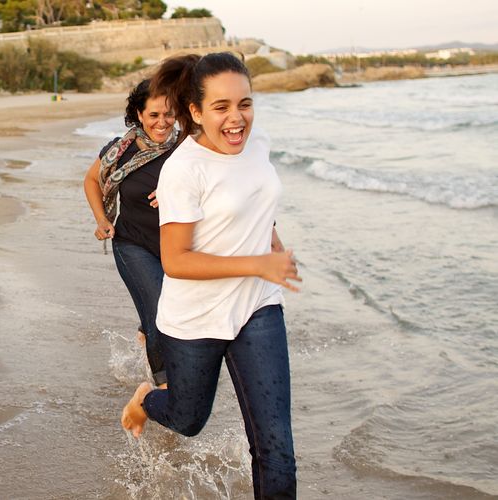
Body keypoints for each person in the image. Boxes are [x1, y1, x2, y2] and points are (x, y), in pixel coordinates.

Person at [121, 53, 301, 499]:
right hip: (196, 317)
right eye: (221, 107)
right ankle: (146, 399)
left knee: (276, 448)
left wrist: (270, 238)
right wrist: (257, 263)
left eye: (245, 103)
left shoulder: (259, 147)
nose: (237, 118)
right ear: (196, 112)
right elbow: (177, 261)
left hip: (258, 307)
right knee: (188, 420)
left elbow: (254, 196)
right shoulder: (184, 169)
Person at [84, 79, 178, 387]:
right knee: (159, 315)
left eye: (168, 114)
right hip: (132, 243)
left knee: (175, 310)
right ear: (139, 114)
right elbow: (92, 181)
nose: (162, 122)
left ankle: (145, 330)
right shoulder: (120, 149)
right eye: (153, 115)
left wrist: (174, 191)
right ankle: (165, 388)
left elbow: (217, 188)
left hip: (178, 248)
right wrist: (101, 219)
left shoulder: (187, 150)